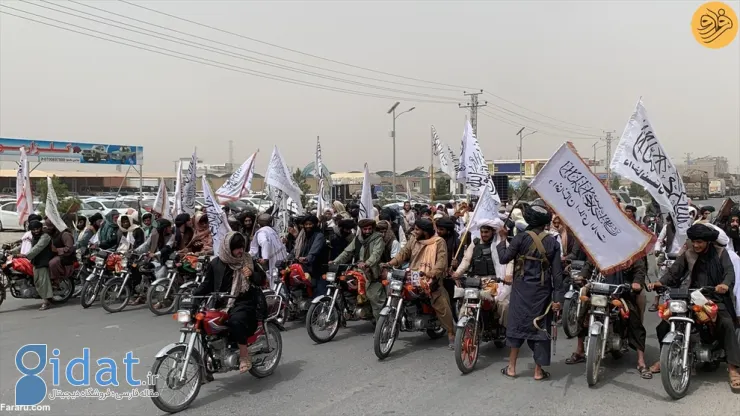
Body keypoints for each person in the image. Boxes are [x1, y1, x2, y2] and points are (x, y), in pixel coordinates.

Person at [648, 224, 740, 392]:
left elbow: (729, 273)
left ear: (708, 242)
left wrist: (724, 285)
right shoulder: (688, 254)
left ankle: (733, 369)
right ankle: (666, 358)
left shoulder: (720, 253)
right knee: (663, 326)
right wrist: (660, 283)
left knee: (726, 324)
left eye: (700, 242)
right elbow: (674, 272)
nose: (696, 245)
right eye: (694, 241)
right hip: (691, 296)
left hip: (713, 297)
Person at [496, 202, 564, 380]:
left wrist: (503, 239)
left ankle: (511, 367)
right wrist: (558, 300)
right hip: (542, 294)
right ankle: (538, 371)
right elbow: (557, 276)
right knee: (540, 329)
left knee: (516, 327)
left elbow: (504, 258)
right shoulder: (552, 243)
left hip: (520, 290)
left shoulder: (519, 238)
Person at [193, 232, 267, 374]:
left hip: (243, 301)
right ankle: (208, 361)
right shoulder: (216, 263)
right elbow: (207, 285)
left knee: (236, 321)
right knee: (203, 323)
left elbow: (261, 280)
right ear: (228, 248)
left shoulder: (248, 260)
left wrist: (251, 275)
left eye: (242, 247)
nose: (240, 251)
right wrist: (193, 296)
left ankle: (244, 356)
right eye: (237, 248)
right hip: (221, 303)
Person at [565, 255, 651, 378]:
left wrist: (637, 282)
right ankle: (580, 351)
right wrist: (582, 276)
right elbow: (589, 265)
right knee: (583, 314)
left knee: (634, 319)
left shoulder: (632, 252)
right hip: (599, 289)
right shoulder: (601, 249)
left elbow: (639, 269)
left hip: (622, 291)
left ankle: (641, 361)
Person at [382, 218, 455, 348]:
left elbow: (442, 262)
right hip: (413, 275)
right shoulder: (414, 240)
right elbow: (403, 254)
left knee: (440, 304)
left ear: (425, 232)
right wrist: (390, 263)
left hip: (430, 278)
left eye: (417, 229)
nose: (414, 231)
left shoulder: (439, 242)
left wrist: (432, 274)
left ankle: (451, 333)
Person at [452, 218, 513, 326]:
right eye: (482, 232)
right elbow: (466, 260)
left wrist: (508, 275)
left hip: (496, 281)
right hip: (476, 282)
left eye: (486, 232)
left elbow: (509, 261)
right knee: (466, 305)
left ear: (493, 232)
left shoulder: (501, 243)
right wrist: (458, 272)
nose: (484, 234)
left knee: (503, 305)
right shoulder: (475, 243)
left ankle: (505, 331)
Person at [332, 218, 386, 321]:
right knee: (344, 282)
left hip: (372, 272)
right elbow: (347, 252)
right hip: (358, 270)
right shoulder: (358, 239)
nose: (367, 231)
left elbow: (376, 254)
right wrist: (335, 262)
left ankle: (381, 323)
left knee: (374, 297)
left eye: (369, 229)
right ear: (361, 229)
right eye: (365, 229)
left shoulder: (378, 239)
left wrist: (367, 264)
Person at [249, 214, 289, 290]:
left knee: (275, 280)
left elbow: (264, 242)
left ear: (258, 224)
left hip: (274, 260)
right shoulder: (271, 230)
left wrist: (265, 258)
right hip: (281, 258)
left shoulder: (262, 232)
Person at [290, 215, 327, 295]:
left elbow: (314, 250)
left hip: (316, 268)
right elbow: (295, 250)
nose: (308, 226)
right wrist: (287, 258)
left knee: (318, 294)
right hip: (303, 267)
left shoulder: (319, 236)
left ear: (315, 224)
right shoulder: (302, 236)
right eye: (306, 224)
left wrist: (307, 258)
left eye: (310, 224)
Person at [21, 220, 54, 310]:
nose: (36, 231)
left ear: (41, 228)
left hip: (44, 260)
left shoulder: (45, 237)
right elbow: (25, 244)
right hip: (36, 261)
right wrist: (11, 250)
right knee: (37, 282)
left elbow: (38, 247)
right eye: (33, 229)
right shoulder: (33, 237)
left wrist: (26, 255)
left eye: (37, 228)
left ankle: (46, 302)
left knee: (43, 282)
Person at [436, 217, 462, 310]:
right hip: (437, 276)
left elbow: (463, 261)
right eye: (437, 228)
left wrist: (457, 263)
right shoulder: (435, 241)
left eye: (441, 229)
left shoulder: (456, 242)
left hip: (450, 278)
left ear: (449, 231)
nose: (438, 231)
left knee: (450, 303)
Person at [46, 218, 76, 291]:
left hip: (65, 257)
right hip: (55, 254)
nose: (48, 228)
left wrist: (57, 250)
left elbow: (69, 249)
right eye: (47, 226)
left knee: (52, 263)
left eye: (50, 226)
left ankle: (56, 280)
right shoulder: (52, 234)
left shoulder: (65, 234)